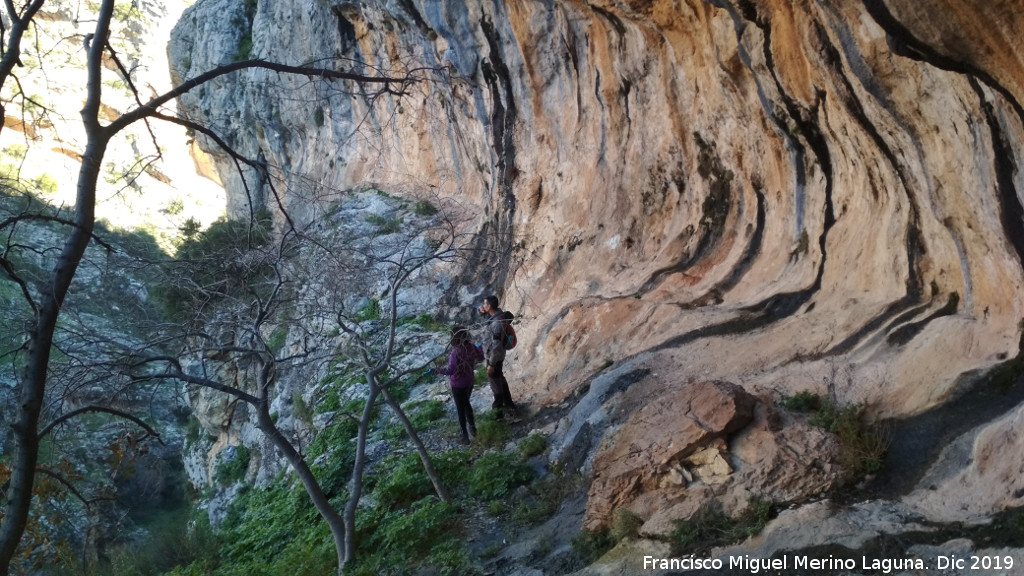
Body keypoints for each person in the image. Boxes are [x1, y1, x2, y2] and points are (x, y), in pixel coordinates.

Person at [434, 326, 483, 443]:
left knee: (460, 409)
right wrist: (480, 348)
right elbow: (480, 357)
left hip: (458, 385)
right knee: (467, 404)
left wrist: (438, 370)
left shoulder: (455, 353)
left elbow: (450, 371)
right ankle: (473, 428)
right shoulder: (471, 347)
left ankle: (464, 436)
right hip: (469, 381)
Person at [478, 295, 516, 420]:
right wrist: (483, 313)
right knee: (500, 379)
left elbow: (496, 346)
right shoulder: (497, 316)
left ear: (489, 306)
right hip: (496, 357)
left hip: (494, 358)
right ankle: (510, 405)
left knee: (495, 385)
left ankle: (498, 415)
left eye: (485, 304)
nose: (483, 306)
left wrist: (491, 364)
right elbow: (489, 321)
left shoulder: (497, 324)